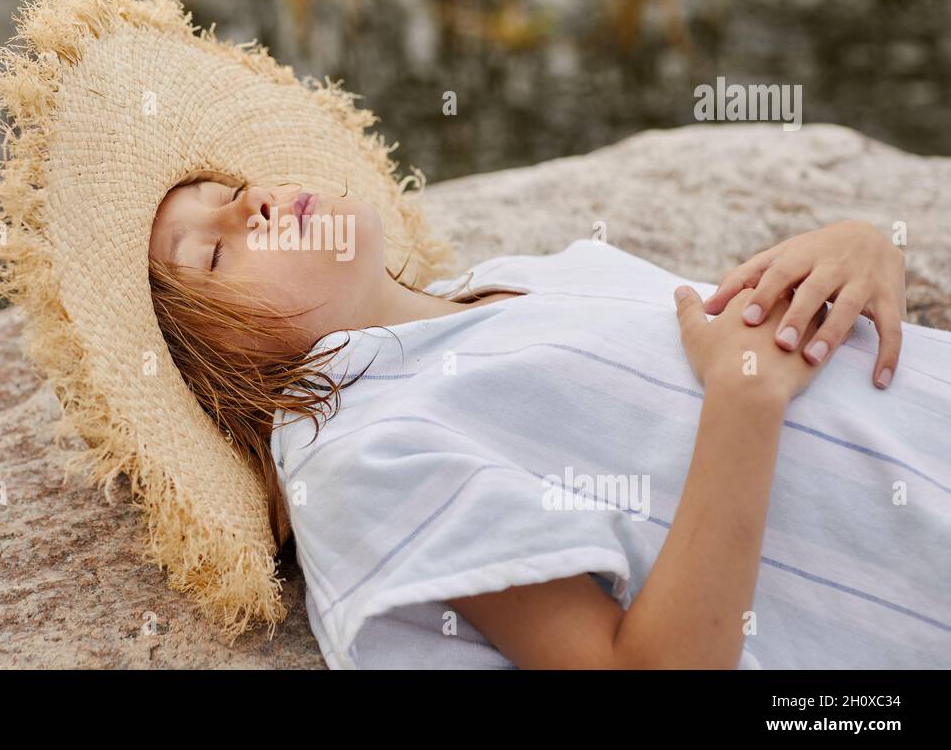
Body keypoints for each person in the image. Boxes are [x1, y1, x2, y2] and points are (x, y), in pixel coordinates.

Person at [148, 175, 951, 668]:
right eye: (214, 255)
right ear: (228, 371)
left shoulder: (522, 277)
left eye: (231, 193)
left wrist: (855, 249)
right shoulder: (361, 452)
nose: (249, 204)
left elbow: (751, 330)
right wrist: (744, 403)